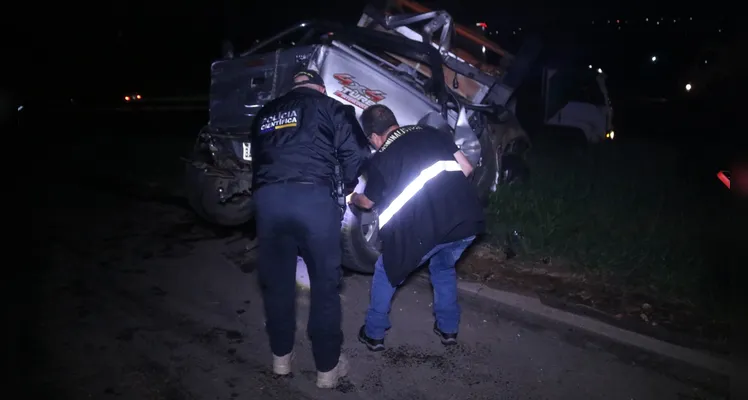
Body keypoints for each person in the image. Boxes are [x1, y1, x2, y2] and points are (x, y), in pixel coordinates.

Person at [250, 69, 368, 388]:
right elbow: (356, 154)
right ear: (320, 87)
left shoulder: (265, 113)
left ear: (293, 88)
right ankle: (327, 370)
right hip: (313, 200)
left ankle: (280, 359)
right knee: (325, 287)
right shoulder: (331, 107)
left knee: (277, 284)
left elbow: (258, 158)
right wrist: (343, 186)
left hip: (268, 200)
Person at [349, 104, 485, 351]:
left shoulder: (380, 159)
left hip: (425, 229)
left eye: (371, 141)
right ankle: (448, 328)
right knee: (443, 268)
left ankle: (374, 333)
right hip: (465, 220)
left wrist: (353, 199)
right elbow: (466, 168)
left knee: (385, 271)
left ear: (374, 137)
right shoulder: (431, 132)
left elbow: (368, 203)